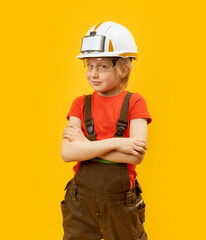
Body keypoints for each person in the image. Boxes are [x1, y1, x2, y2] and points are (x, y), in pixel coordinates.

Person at [60, 21, 152, 240]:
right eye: (89, 66)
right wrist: (117, 143)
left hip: (121, 206)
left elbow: (135, 156)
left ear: (124, 68)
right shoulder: (80, 104)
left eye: (102, 66)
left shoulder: (135, 102)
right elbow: (67, 153)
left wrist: (86, 144)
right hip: (80, 204)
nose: (93, 73)